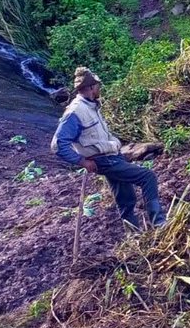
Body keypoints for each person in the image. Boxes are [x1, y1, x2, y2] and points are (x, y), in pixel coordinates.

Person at [52, 67, 165, 230]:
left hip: (113, 157)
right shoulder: (75, 111)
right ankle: (159, 222)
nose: (100, 89)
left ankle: (133, 236)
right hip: (104, 161)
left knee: (126, 198)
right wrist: (81, 161)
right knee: (147, 177)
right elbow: (58, 144)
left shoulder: (90, 106)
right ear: (91, 88)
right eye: (98, 86)